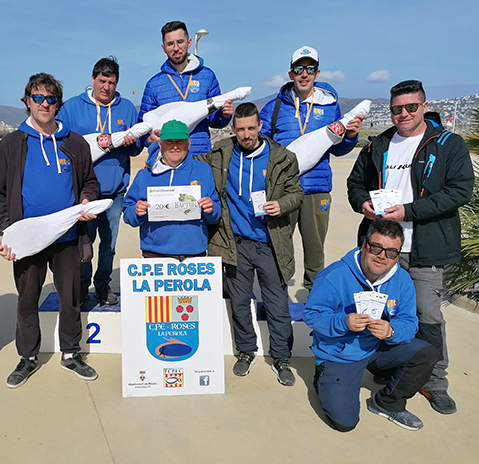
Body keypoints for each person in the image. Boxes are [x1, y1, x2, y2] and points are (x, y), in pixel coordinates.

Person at [347, 79, 473, 415]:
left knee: (427, 315)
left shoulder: (447, 144)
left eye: (410, 107)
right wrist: (363, 205)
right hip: (380, 248)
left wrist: (409, 211)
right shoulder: (378, 145)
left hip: (426, 247)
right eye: (396, 109)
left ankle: (434, 382)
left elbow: (460, 191)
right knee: (381, 311)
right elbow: (355, 184)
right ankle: (390, 368)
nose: (403, 114)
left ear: (423, 106)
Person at [0, 73, 100, 389]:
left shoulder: (75, 142)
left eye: (51, 99)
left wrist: (87, 198)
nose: (45, 104)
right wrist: (0, 231)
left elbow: (90, 181)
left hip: (66, 238)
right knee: (27, 300)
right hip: (27, 240)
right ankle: (28, 357)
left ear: (58, 104)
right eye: (38, 98)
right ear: (27, 101)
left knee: (71, 298)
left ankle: (70, 353)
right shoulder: (12, 144)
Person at [197, 102, 303, 385]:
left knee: (277, 304)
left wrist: (281, 204)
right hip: (235, 243)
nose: (246, 134)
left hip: (269, 242)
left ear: (259, 127)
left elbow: (297, 193)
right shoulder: (221, 153)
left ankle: (281, 358)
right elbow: (189, 162)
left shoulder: (282, 157)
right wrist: (158, 149)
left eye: (251, 128)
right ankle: (246, 351)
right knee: (240, 302)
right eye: (240, 129)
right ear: (233, 129)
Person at [304, 219, 438, 431]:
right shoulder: (334, 275)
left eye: (391, 252)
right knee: (344, 423)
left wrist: (391, 331)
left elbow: (409, 321)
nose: (382, 256)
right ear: (365, 245)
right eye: (377, 248)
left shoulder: (402, 279)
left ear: (398, 254)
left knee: (426, 353)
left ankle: (386, 402)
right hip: (341, 353)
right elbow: (311, 315)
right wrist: (343, 321)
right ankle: (324, 376)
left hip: (377, 346)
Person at [260, 46, 363, 291]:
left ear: (317, 73)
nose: (304, 74)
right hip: (283, 190)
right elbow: (260, 145)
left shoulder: (330, 107)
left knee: (315, 248)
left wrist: (350, 138)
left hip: (317, 189)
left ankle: (315, 298)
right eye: (298, 69)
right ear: (290, 73)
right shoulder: (274, 108)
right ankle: (277, 294)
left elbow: (337, 149)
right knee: (279, 244)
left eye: (309, 69)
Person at [58, 57, 143, 304]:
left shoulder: (127, 108)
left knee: (109, 244)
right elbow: (61, 142)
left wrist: (132, 143)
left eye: (112, 82)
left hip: (115, 192)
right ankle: (82, 286)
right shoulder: (72, 107)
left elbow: (137, 148)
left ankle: (103, 285)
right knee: (84, 243)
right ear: (93, 79)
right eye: (102, 81)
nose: (107, 87)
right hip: (82, 191)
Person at [123, 120, 220, 258]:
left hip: (195, 253)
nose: (175, 146)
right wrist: (137, 212)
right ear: (160, 145)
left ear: (188, 143)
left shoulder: (203, 170)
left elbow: (216, 213)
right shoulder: (145, 175)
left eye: (180, 141)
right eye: (169, 142)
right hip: (154, 253)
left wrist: (211, 210)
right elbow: (128, 213)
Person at [138, 20, 234, 158]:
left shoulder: (207, 76)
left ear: (189, 43)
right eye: (170, 44)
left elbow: (215, 120)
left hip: (200, 157)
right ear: (163, 48)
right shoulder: (154, 84)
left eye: (180, 42)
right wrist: (148, 139)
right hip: (167, 159)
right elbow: (143, 125)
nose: (176, 48)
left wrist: (224, 115)